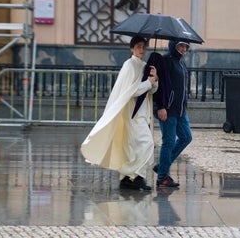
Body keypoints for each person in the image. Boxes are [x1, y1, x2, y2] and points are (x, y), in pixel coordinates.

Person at [81, 36, 158, 191]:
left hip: (141, 112)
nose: (141, 50)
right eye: (138, 47)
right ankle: (136, 175)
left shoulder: (144, 66)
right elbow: (132, 90)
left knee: (133, 146)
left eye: (144, 47)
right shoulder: (129, 66)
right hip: (131, 113)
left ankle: (127, 179)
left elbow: (151, 90)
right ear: (131, 48)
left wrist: (154, 80)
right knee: (146, 143)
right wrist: (148, 83)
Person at [153, 41, 193, 187]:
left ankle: (162, 166)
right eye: (180, 46)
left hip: (180, 110)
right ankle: (162, 177)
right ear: (173, 46)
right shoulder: (166, 61)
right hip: (167, 109)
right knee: (169, 142)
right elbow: (159, 86)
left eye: (186, 47)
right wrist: (160, 106)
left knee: (186, 137)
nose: (183, 49)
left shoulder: (181, 62)